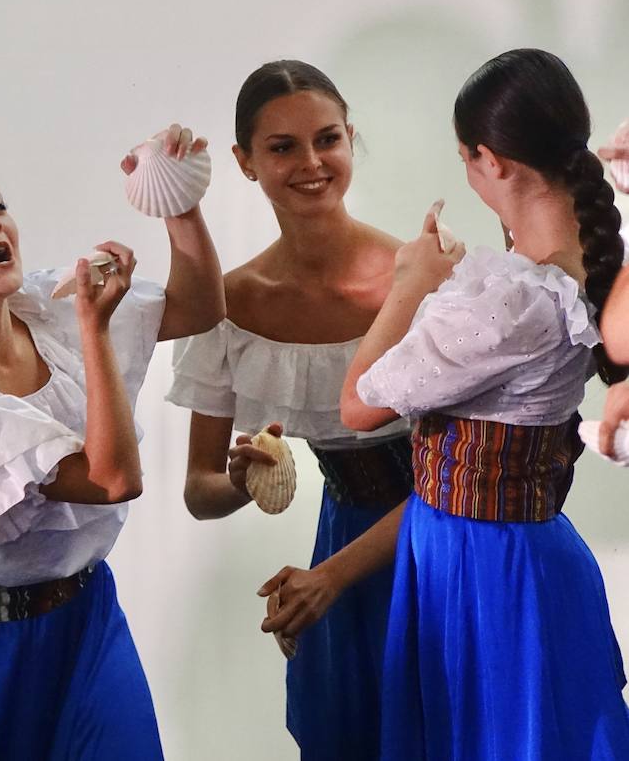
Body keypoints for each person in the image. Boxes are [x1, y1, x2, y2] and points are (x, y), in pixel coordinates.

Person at [265, 48, 629, 759]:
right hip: (519, 552)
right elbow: (452, 470)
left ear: (491, 162)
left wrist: (410, 282)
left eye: (466, 157)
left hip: (481, 571)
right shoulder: (584, 262)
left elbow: (358, 407)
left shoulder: (507, 298)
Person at [0, 141, 224, 759]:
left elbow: (200, 307)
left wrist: (179, 201)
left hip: (86, 618)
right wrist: (94, 327)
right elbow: (112, 479)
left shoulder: (46, 308)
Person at [170, 60, 410, 759]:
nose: (311, 163)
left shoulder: (419, 277)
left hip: (446, 536)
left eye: (327, 140)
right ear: (245, 163)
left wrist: (331, 577)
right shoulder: (232, 304)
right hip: (339, 544)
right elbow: (198, 491)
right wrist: (247, 480)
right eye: (282, 148)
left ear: (350, 141)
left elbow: (460, 478)